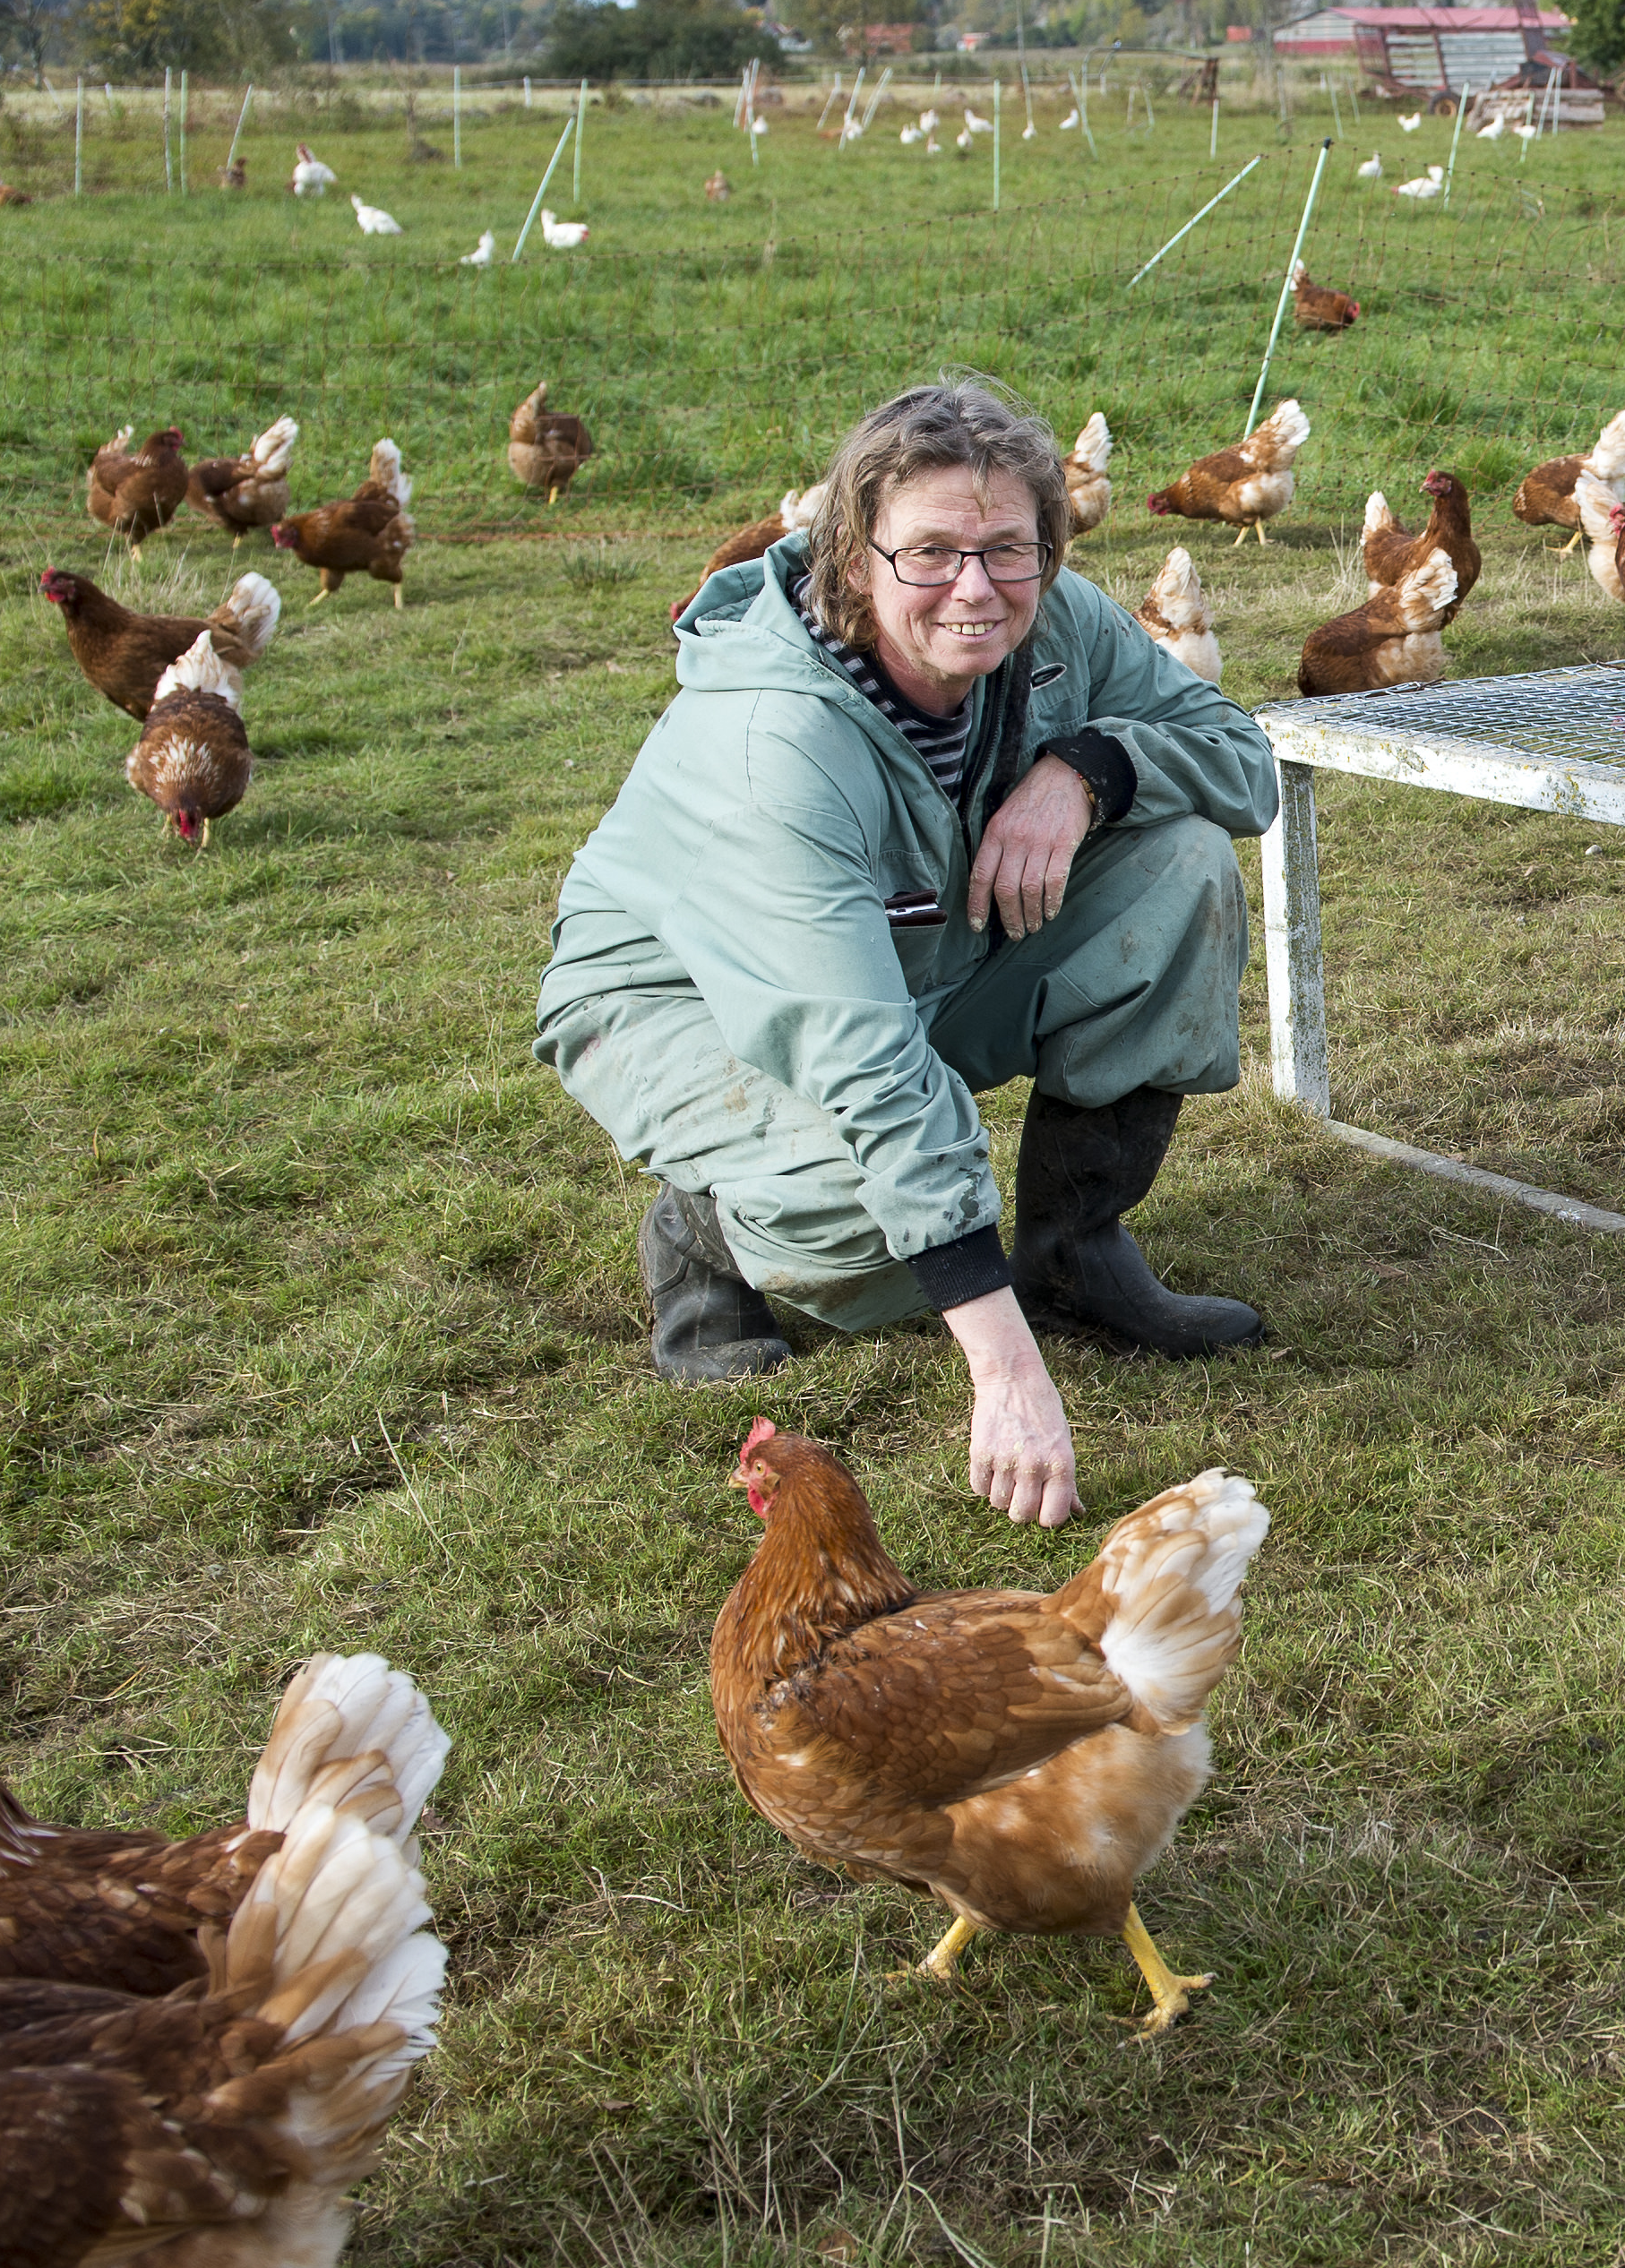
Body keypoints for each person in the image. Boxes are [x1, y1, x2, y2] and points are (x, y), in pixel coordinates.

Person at [536, 378, 1278, 1525]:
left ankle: (1076, 1256)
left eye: (1007, 550)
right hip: (680, 999)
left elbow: (1240, 758)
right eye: (928, 551)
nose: (973, 589)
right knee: (867, 1224)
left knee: (1180, 861)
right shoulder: (774, 740)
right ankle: (708, 1233)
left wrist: (1085, 772)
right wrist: (1003, 1366)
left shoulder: (1060, 622)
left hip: (923, 944)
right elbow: (862, 1056)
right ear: (852, 556)